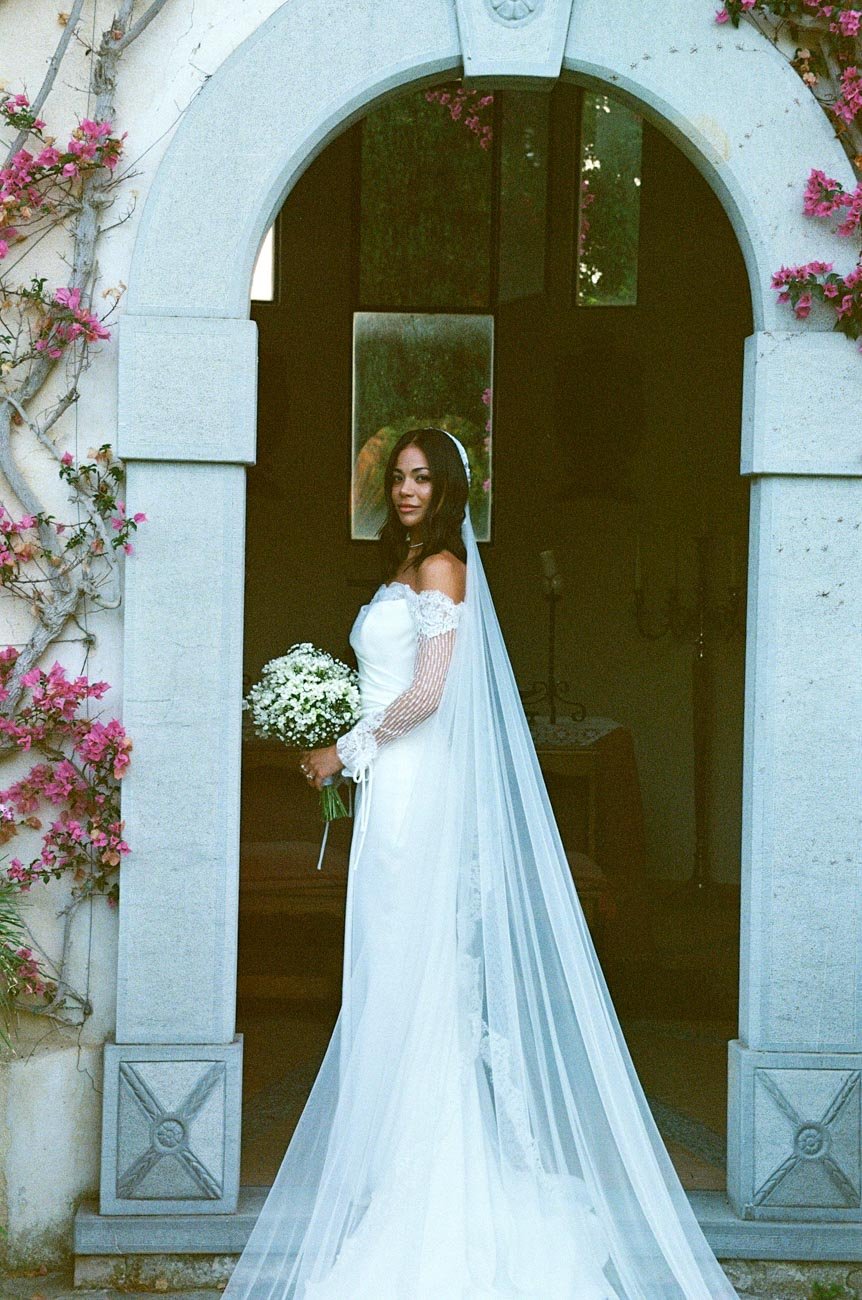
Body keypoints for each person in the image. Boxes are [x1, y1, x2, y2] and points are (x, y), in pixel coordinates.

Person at [223, 428, 739, 1299]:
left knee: (419, 971)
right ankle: (395, 1163)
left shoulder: (444, 569)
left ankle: (433, 1180)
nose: (407, 489)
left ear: (450, 487)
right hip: (393, 785)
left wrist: (340, 752)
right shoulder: (407, 564)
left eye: (422, 477)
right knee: (391, 970)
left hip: (419, 784)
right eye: (397, 477)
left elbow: (429, 694)